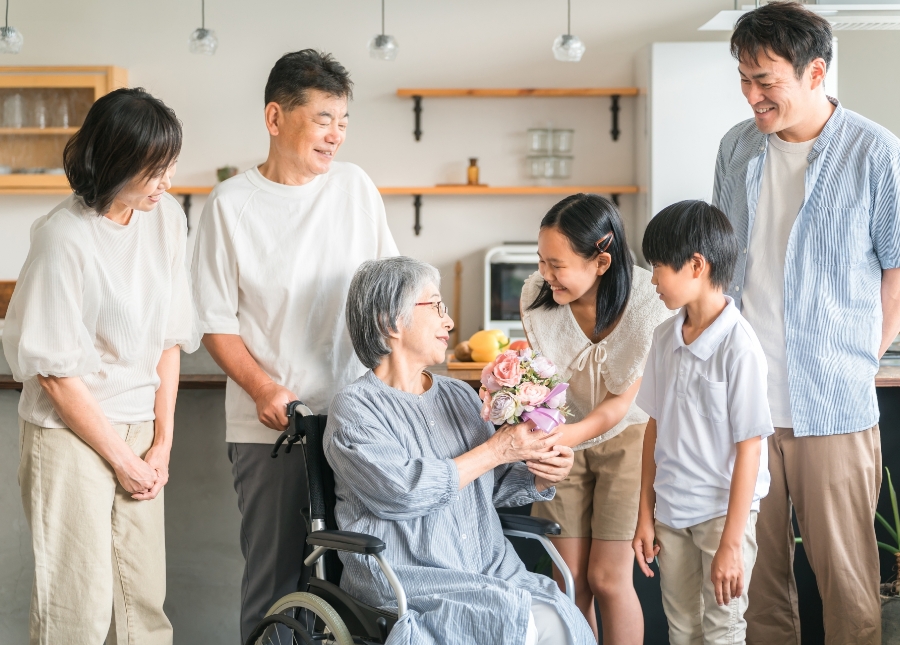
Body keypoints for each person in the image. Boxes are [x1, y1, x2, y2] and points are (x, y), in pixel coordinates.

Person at [191, 49, 398, 641]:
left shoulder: (355, 187)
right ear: (275, 118)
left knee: (363, 578)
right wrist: (261, 386)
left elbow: (390, 288)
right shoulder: (231, 205)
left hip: (359, 421)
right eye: (323, 118)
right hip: (273, 431)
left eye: (343, 120)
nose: (336, 134)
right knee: (279, 585)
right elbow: (214, 321)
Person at [712, 3, 900, 643]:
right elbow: (719, 262)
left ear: (815, 71)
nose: (751, 95)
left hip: (833, 407)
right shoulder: (736, 147)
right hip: (746, 407)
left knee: (847, 586)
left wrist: (864, 359)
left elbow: (898, 268)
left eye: (766, 80)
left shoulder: (875, 152)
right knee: (759, 588)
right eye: (743, 77)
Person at [2, 88, 197, 644]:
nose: (166, 183)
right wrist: (122, 459)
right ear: (114, 162)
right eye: (154, 170)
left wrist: (161, 444)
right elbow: (56, 375)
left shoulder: (167, 222)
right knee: (76, 611)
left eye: (170, 167)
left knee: (144, 608)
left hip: (140, 429)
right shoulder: (64, 239)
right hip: (69, 433)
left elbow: (169, 339)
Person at [324, 256, 593, 645]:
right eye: (435, 306)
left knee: (559, 618)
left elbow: (489, 482)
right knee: (518, 625)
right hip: (411, 576)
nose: (448, 321)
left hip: (488, 567)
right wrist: (498, 448)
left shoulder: (457, 395)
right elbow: (404, 491)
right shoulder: (355, 410)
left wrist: (537, 470)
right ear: (390, 322)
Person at [519, 193, 672, 642]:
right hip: (561, 439)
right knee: (569, 580)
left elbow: (618, 405)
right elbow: (543, 377)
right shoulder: (536, 296)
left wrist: (562, 437)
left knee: (608, 578)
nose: (545, 275)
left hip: (629, 440)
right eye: (541, 260)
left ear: (601, 261)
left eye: (557, 265)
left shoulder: (648, 302)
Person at [632, 200, 773, 644]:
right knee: (683, 630)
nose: (652, 279)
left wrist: (732, 542)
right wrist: (645, 515)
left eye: (658, 267)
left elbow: (751, 446)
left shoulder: (740, 346)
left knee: (723, 631)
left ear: (696, 265)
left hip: (721, 516)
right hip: (672, 514)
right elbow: (653, 427)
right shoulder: (663, 337)